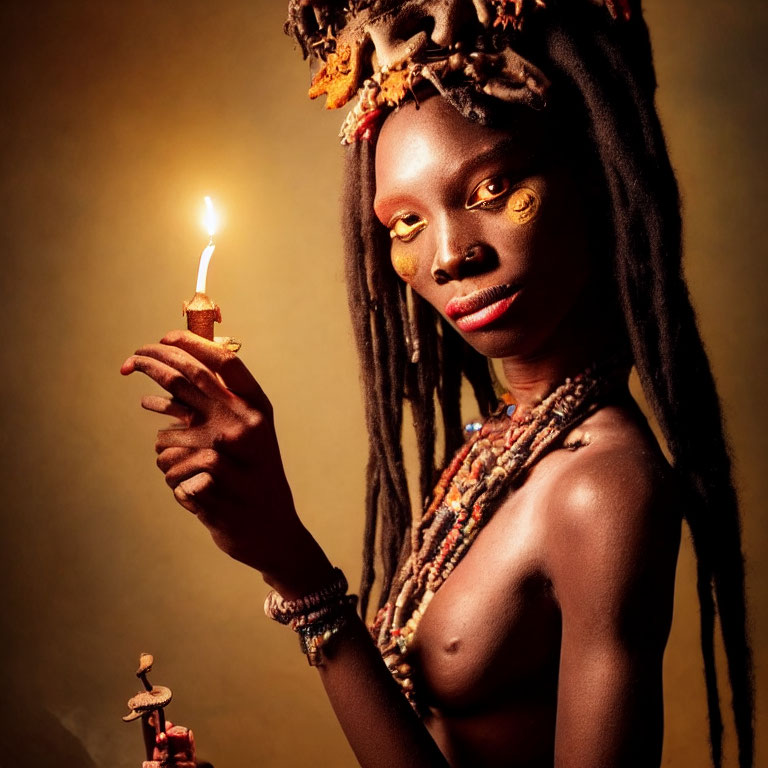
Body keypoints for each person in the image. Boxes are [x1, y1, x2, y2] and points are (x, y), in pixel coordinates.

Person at [121, 1, 754, 765]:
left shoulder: (603, 487)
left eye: (491, 191)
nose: (450, 256)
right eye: (406, 223)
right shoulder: (503, 436)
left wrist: (291, 563)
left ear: (590, 177)